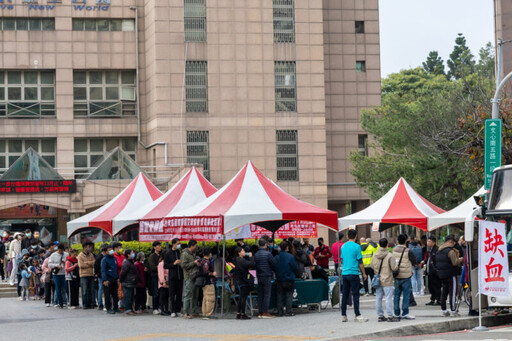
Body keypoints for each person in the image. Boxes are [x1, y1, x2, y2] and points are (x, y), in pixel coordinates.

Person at [340, 229, 368, 322]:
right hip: (354, 273)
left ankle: (343, 315)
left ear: (348, 236)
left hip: (345, 273)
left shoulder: (343, 246)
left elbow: (342, 259)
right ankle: (357, 314)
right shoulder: (357, 247)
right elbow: (360, 261)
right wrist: (364, 273)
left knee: (345, 295)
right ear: (356, 236)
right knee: (355, 294)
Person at [371, 238, 399, 322]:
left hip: (378, 279)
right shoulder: (390, 255)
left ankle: (380, 315)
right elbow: (394, 268)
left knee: (378, 298)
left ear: (379, 244)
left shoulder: (375, 255)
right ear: (387, 244)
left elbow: (372, 266)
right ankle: (390, 315)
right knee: (388, 298)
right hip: (387, 279)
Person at [435, 235, 463, 317]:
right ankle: (453, 310)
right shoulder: (450, 251)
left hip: (442, 274)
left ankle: (444, 309)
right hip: (451, 274)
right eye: (453, 243)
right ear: (450, 242)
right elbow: (455, 262)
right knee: (452, 292)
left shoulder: (439, 250)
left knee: (444, 292)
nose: (453, 245)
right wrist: (460, 260)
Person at [393, 234, 417, 320]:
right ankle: (405, 313)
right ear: (405, 241)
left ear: (397, 241)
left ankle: (396, 313)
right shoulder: (408, 251)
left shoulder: (393, 250)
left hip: (396, 276)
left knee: (396, 295)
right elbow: (414, 261)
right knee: (406, 295)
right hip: (406, 276)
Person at [254, 238, 277, 318]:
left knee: (260, 294)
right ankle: (265, 312)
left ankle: (260, 312)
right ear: (265, 244)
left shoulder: (256, 254)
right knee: (267, 294)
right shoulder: (268, 254)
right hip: (267, 275)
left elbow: (255, 265)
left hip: (259, 275)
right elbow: (274, 264)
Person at [275, 241, 297, 317]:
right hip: (289, 278)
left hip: (279, 278)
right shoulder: (290, 256)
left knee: (279, 296)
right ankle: (288, 311)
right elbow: (294, 267)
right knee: (289, 295)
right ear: (287, 247)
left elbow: (274, 267)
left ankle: (280, 312)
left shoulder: (276, 257)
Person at [233, 246, 254, 320]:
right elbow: (251, 264)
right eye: (243, 251)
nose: (244, 252)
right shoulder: (241, 260)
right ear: (239, 253)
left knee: (241, 297)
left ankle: (239, 313)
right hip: (244, 280)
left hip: (240, 279)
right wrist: (251, 257)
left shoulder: (238, 260)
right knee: (243, 297)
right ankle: (243, 313)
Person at [164, 238, 184, 317]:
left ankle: (178, 310)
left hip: (180, 276)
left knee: (179, 294)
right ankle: (172, 310)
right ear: (173, 244)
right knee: (172, 294)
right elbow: (165, 265)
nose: (179, 245)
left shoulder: (180, 252)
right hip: (172, 276)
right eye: (178, 243)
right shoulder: (168, 253)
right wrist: (174, 263)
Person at [181, 239, 200, 319]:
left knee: (195, 294)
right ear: (191, 246)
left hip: (195, 276)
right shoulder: (185, 254)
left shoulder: (193, 253)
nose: (196, 247)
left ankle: (193, 311)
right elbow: (183, 265)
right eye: (195, 246)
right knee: (188, 294)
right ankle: (185, 312)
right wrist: (194, 263)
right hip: (189, 276)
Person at [198, 248, 216, 320]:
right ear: (209, 254)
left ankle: (205, 313)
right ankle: (208, 314)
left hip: (204, 283)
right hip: (208, 282)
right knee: (210, 298)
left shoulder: (201, 261)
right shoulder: (206, 262)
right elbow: (205, 272)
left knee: (205, 299)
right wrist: (213, 273)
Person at [101, 243, 120, 314]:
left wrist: (117, 278)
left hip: (114, 279)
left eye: (111, 249)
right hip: (108, 279)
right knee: (107, 295)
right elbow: (103, 270)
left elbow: (116, 269)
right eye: (109, 250)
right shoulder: (104, 259)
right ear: (106, 251)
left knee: (115, 295)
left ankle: (116, 307)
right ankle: (108, 308)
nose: (111, 251)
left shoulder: (114, 258)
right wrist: (105, 280)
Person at [77, 242, 95, 309]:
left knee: (91, 290)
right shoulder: (80, 256)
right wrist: (89, 264)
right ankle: (85, 304)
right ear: (84, 248)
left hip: (91, 274)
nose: (89, 248)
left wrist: (87, 262)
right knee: (84, 291)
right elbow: (81, 265)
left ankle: (90, 304)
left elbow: (94, 263)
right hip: (83, 275)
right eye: (88, 247)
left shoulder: (91, 255)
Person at [120, 249, 137, 316]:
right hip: (127, 282)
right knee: (127, 296)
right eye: (132, 253)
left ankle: (130, 309)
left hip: (131, 282)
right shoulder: (126, 262)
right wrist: (121, 280)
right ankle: (127, 310)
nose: (133, 254)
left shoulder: (130, 261)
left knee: (131, 296)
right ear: (128, 254)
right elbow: (123, 272)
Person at [49, 243, 67, 308]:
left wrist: (64, 263)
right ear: (58, 249)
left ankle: (65, 301)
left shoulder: (66, 254)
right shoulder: (53, 255)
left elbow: (68, 262)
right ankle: (59, 302)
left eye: (62, 250)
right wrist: (57, 265)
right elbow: (50, 264)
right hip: (56, 274)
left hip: (64, 273)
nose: (61, 252)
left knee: (65, 288)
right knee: (58, 288)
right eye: (60, 250)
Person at [425, 237, 441, 306]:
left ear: (433, 242)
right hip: (430, 271)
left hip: (435, 272)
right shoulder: (430, 250)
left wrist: (436, 270)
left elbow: (436, 261)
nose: (428, 243)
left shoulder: (436, 250)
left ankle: (438, 299)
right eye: (427, 241)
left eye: (429, 241)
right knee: (431, 286)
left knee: (436, 286)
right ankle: (432, 299)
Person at [148, 241, 162, 314]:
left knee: (160, 292)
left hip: (161, 276)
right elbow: (152, 267)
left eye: (160, 246)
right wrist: (159, 267)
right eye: (158, 246)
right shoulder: (152, 256)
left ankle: (159, 306)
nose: (160, 247)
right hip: (155, 276)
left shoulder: (161, 255)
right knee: (155, 292)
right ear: (154, 247)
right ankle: (155, 308)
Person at [95, 244, 108, 311]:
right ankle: (100, 304)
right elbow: (96, 266)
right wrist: (97, 274)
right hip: (101, 275)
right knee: (101, 289)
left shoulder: (106, 257)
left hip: (105, 275)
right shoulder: (99, 257)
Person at [157, 251, 170, 316]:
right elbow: (160, 274)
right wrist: (163, 282)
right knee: (162, 297)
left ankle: (166, 309)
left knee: (166, 297)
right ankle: (162, 309)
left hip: (168, 282)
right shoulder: (161, 264)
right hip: (163, 283)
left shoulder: (167, 263)